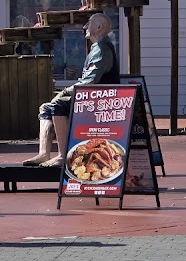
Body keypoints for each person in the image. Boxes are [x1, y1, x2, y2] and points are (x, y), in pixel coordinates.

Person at [23, 12, 119, 167]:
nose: (85, 26)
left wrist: (65, 91)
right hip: (91, 96)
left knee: (58, 105)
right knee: (46, 108)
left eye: (89, 23)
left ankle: (63, 155)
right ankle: (43, 153)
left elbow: (90, 82)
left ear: (100, 27)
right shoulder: (97, 48)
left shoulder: (102, 49)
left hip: (101, 101)